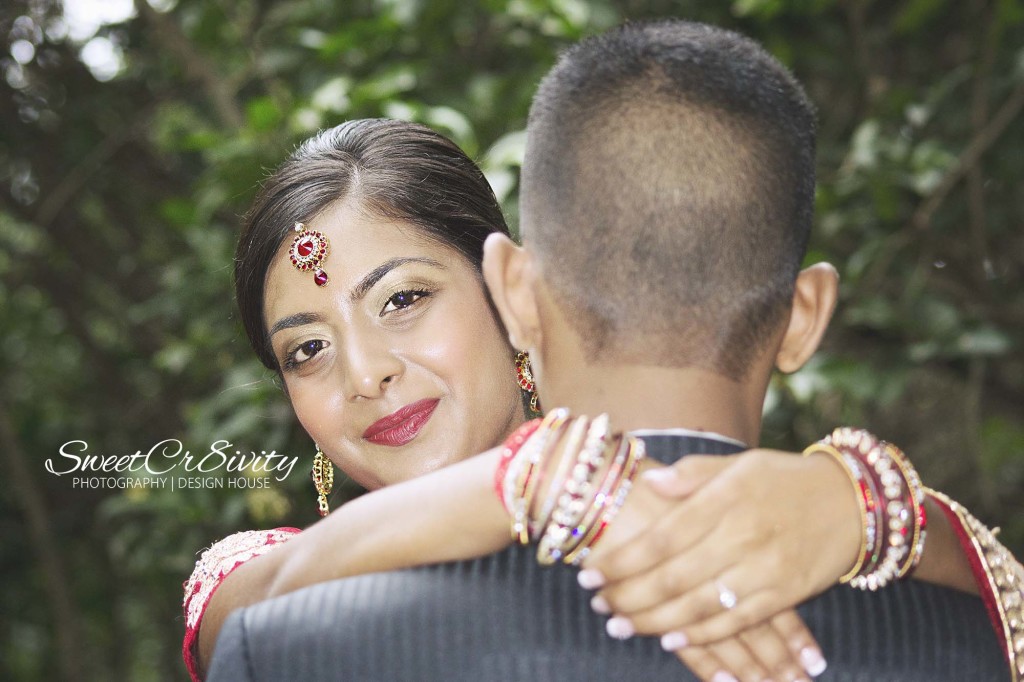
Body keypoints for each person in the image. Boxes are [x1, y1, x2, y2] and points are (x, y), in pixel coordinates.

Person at [187, 30, 1022, 678]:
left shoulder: (788, 527)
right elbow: (242, 617)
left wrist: (867, 508)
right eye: (306, 350)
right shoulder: (273, 592)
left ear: (511, 295)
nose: (365, 373)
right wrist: (526, 483)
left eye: (403, 300)